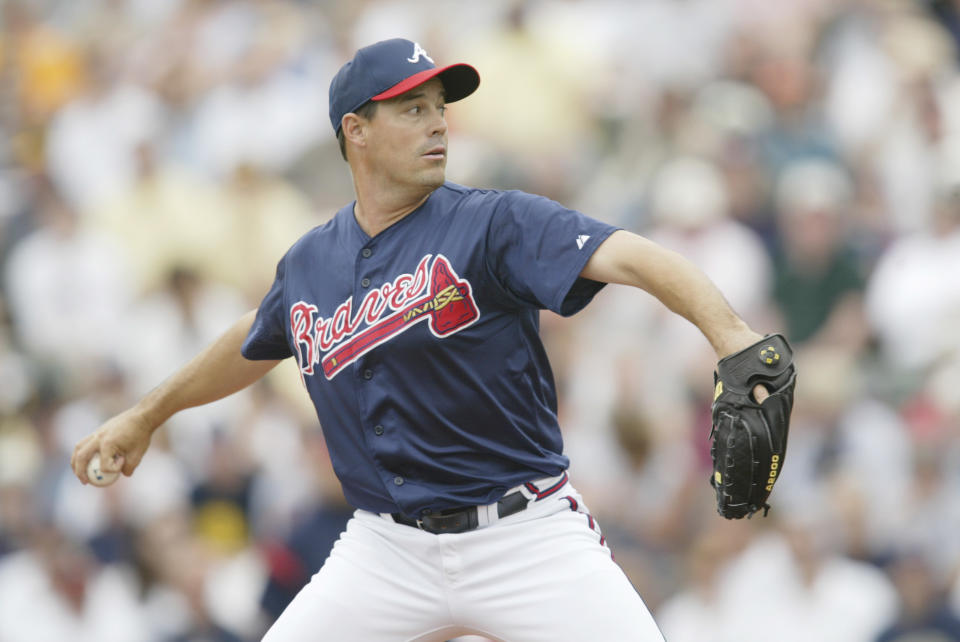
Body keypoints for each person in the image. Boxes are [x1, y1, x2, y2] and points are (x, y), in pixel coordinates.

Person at [71, 38, 773, 641]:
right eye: (412, 109)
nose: (438, 124)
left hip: (524, 534)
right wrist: (146, 415)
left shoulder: (493, 223)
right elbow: (254, 340)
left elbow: (632, 255)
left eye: (440, 108)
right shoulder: (310, 261)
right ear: (357, 130)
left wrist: (731, 334)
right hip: (387, 547)